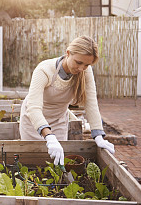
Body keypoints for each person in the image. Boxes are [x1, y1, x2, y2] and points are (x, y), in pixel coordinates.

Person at [20, 35, 115, 166]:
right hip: (33, 122)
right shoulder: (44, 70)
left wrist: (98, 134)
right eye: (78, 62)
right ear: (68, 53)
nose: (82, 68)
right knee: (32, 163)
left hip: (58, 121)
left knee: (57, 164)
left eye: (87, 64)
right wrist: (48, 136)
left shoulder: (85, 72)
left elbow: (91, 103)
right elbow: (33, 107)